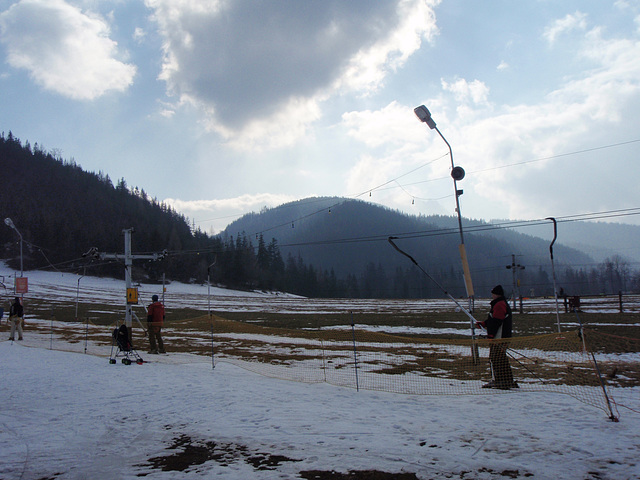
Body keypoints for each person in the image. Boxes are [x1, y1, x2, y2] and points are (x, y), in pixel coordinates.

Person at [476, 285, 517, 389]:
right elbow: (493, 320)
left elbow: (497, 321)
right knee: (499, 358)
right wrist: (484, 324)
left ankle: (501, 380)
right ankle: (506, 380)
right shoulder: (499, 304)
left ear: (495, 294)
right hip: (499, 336)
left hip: (500, 337)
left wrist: (491, 335)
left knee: (497, 358)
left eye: (492, 293)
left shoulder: (499, 304)